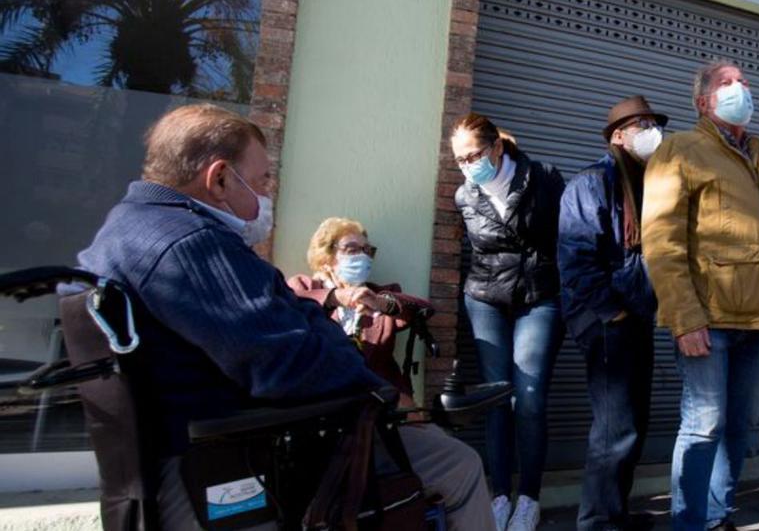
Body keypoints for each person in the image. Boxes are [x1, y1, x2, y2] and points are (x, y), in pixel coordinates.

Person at [74, 103, 494, 530]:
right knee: (456, 462)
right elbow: (292, 362)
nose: (267, 191)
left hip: (194, 450)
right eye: (260, 180)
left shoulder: (125, 229)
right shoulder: (191, 243)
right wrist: (330, 335)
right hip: (232, 460)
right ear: (219, 178)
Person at [641, 60, 759, 530]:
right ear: (703, 101)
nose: (740, 87)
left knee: (740, 428)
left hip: (757, 321)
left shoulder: (757, 159)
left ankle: (718, 516)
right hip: (707, 319)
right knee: (703, 425)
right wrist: (684, 317)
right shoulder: (679, 150)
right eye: (727, 83)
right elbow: (662, 241)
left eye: (744, 81)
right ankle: (688, 522)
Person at [451, 113, 565, 531]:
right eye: (460, 160)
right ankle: (499, 495)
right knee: (496, 397)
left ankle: (529, 498)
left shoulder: (543, 177)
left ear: (497, 147)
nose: (468, 165)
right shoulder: (466, 196)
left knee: (529, 397)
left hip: (539, 295)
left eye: (474, 155)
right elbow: (479, 253)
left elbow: (565, 239)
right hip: (485, 299)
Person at [558, 96, 664, 530]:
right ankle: (597, 522)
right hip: (607, 320)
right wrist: (612, 313)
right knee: (613, 429)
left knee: (633, 423)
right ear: (618, 136)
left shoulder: (648, 182)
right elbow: (576, 258)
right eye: (641, 124)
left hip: (635, 316)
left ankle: (613, 511)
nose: (651, 131)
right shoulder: (592, 182)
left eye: (653, 123)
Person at [287, 217, 431, 412]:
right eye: (352, 249)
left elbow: (423, 309)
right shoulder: (303, 287)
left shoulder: (381, 294)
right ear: (326, 257)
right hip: (319, 407)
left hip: (379, 407)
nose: (363, 256)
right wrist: (334, 297)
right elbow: (291, 306)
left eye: (367, 250)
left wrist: (379, 303)